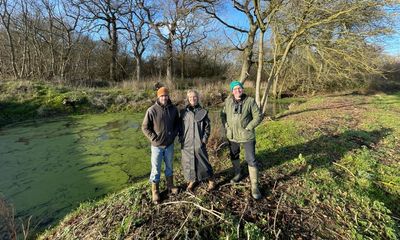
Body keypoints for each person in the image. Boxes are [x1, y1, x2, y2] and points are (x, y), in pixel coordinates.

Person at [221, 80, 262, 199]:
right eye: (235, 89)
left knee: (251, 159)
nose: (237, 91)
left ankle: (254, 185)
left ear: (242, 89)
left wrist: (249, 127)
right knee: (234, 155)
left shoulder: (250, 101)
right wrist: (226, 126)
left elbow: (258, 116)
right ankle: (238, 174)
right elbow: (222, 114)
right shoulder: (228, 102)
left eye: (239, 88)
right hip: (232, 136)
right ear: (232, 91)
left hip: (247, 136)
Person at [142, 86, 179, 204]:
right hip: (157, 146)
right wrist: (153, 138)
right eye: (162, 96)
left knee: (169, 167)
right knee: (156, 169)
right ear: (158, 97)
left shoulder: (173, 109)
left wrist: (173, 134)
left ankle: (170, 185)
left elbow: (177, 124)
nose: (164, 97)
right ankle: (155, 191)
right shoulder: (151, 110)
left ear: (168, 96)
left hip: (169, 145)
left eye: (166, 95)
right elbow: (144, 127)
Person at [179, 90, 215, 192]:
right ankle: (192, 180)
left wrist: (204, 140)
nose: (192, 99)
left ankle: (211, 180)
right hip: (186, 143)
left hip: (199, 142)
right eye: (190, 97)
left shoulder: (203, 111)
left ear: (197, 98)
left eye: (194, 97)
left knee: (203, 161)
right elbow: (179, 127)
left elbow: (207, 127)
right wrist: (181, 138)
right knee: (188, 162)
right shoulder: (183, 112)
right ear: (187, 99)